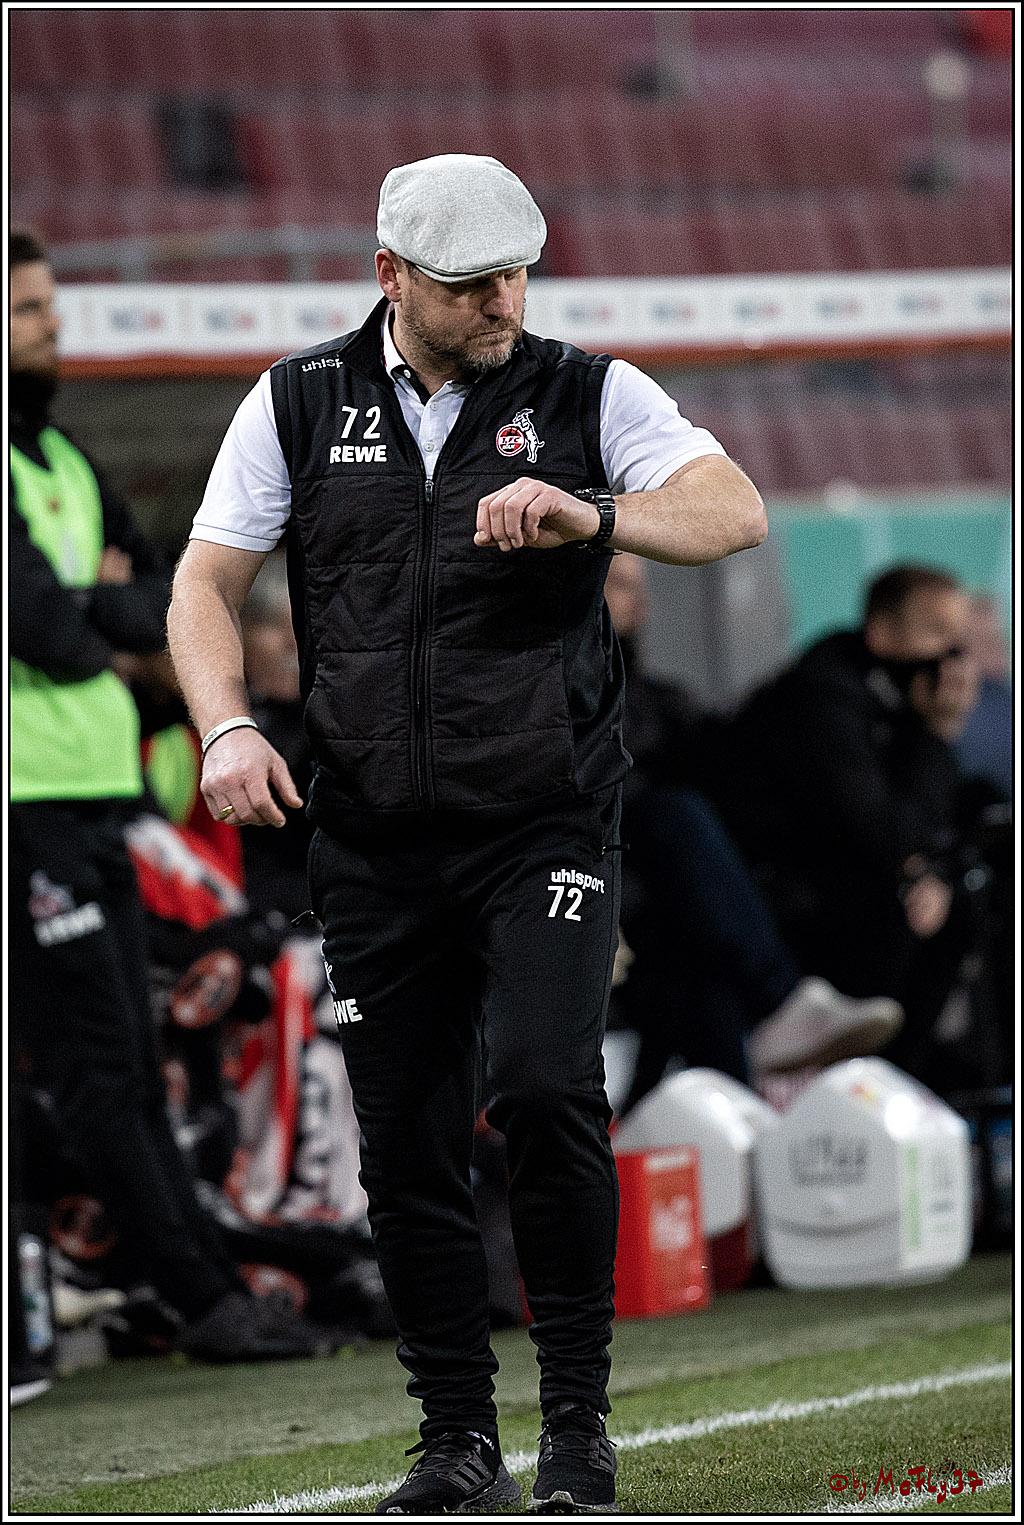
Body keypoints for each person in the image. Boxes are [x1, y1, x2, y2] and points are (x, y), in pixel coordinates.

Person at [167, 153, 766, 1514]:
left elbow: (732, 509)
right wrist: (228, 727)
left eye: (516, 274)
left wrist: (594, 513)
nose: (503, 300)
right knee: (404, 1142)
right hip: (370, 837)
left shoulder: (590, 393)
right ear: (390, 275)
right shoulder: (294, 401)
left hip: (543, 819)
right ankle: (456, 1441)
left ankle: (576, 1426)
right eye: (469, 282)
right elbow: (204, 583)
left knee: (548, 1086)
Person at [8, 228, 329, 1365]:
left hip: (93, 794)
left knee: (130, 1065)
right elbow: (48, 631)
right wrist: (94, 606)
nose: (52, 327)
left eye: (50, 306)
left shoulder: (61, 457)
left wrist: (95, 603)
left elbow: (164, 597)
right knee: (98, 1069)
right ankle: (194, 1299)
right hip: (23, 805)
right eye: (28, 310)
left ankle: (202, 1288)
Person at [603, 554, 902, 1110]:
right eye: (618, 585)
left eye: (640, 587)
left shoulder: (662, 700)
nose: (639, 601)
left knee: (702, 949)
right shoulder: (557, 696)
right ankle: (780, 1001)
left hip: (667, 900)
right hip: (602, 870)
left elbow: (730, 757)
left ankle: (740, 1116)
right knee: (675, 817)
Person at [712, 564, 982, 1077]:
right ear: (881, 633)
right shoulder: (824, 697)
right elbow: (877, 834)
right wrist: (937, 735)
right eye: (936, 632)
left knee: (966, 889)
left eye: (959, 637)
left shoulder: (896, 699)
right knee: (908, 905)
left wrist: (935, 870)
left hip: (839, 882)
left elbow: (930, 821)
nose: (953, 656)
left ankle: (898, 1080)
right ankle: (866, 1074)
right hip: (777, 893)